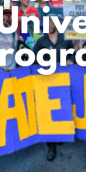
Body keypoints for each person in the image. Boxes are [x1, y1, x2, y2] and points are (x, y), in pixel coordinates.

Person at [33, 14, 75, 161]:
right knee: (48, 113)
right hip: (46, 81)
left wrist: (70, 61)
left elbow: (73, 54)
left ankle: (59, 134)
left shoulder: (65, 39)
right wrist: (40, 63)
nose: (49, 24)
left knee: (62, 110)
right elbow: (32, 58)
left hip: (63, 81)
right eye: (47, 22)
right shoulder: (41, 41)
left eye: (52, 22)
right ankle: (51, 146)